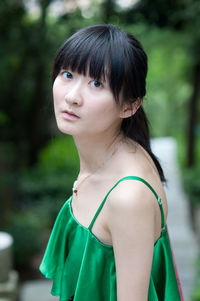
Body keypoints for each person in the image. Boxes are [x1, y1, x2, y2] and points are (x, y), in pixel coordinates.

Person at [39, 24, 183, 301]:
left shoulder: (128, 197)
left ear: (130, 106)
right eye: (67, 74)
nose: (72, 97)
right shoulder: (108, 152)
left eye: (96, 84)